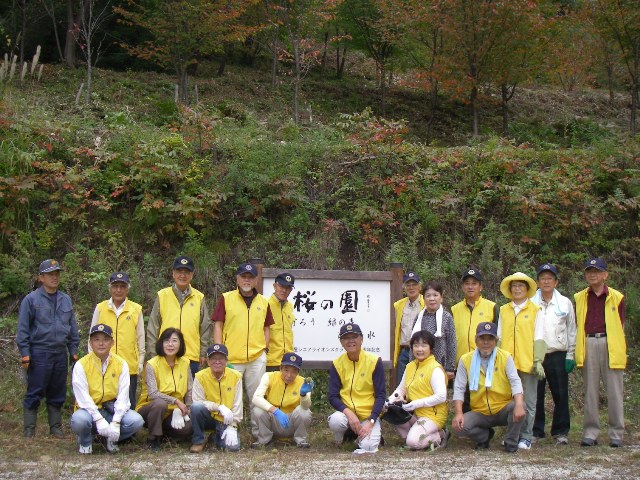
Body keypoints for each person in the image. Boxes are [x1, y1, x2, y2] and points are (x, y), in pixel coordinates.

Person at [16, 259, 80, 438]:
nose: (54, 277)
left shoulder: (65, 299)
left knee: (57, 391)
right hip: (39, 352)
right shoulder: (31, 300)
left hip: (60, 353)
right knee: (34, 391)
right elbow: (22, 330)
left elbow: (72, 328)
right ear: (40, 277)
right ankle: (29, 430)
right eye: (50, 274)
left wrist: (73, 350)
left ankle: (55, 428)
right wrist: (25, 354)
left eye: (57, 274)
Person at [212, 262, 274, 433]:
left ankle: (259, 433)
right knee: (231, 396)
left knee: (257, 397)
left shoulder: (263, 301)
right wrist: (219, 352)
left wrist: (264, 349)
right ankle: (230, 429)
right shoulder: (227, 298)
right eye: (243, 277)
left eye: (250, 277)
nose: (246, 280)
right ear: (237, 279)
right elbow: (218, 325)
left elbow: (267, 327)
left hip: (256, 358)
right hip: (231, 358)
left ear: (256, 280)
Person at [575, 257, 626, 448]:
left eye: (596, 271)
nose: (592, 274)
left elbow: (621, 324)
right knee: (590, 391)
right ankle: (590, 432)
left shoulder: (617, 297)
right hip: (588, 342)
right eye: (589, 271)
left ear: (605, 275)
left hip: (610, 344)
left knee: (614, 391)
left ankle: (616, 433)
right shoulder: (579, 297)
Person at [452, 322, 525, 453]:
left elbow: (515, 382)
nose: (486, 342)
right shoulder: (465, 360)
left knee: (520, 405)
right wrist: (458, 413)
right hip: (480, 411)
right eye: (482, 338)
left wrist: (519, 404)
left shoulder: (505, 357)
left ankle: (511, 441)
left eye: (490, 338)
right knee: (460, 427)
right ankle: (484, 437)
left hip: (502, 407)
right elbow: (459, 388)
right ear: (476, 340)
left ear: (496, 340)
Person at [70, 324, 144, 454]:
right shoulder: (81, 365)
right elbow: (83, 398)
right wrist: (98, 419)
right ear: (91, 343)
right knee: (79, 420)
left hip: (111, 410)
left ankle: (111, 438)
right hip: (88, 412)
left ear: (112, 343)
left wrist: (116, 422)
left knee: (136, 421)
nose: (101, 343)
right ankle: (86, 440)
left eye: (105, 339)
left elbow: (123, 396)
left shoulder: (121, 364)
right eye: (96, 339)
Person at [497, 272, 546, 450]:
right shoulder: (503, 310)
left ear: (527, 289)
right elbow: (500, 337)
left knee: (529, 401)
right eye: (514, 286)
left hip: (528, 363)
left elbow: (539, 337)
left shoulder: (536, 310)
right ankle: (512, 435)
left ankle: (526, 436)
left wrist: (538, 360)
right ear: (510, 290)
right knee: (510, 402)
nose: (517, 289)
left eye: (521, 286)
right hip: (508, 364)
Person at [531, 263, 576, 445]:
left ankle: (561, 431)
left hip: (558, 353)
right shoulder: (531, 302)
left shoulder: (564, 302)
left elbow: (571, 329)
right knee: (536, 394)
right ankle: (536, 430)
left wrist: (570, 355)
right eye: (543, 278)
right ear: (538, 282)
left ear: (556, 282)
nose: (546, 281)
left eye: (550, 278)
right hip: (537, 355)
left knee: (561, 394)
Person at [147, 255, 211, 378]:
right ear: (173, 273)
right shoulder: (162, 295)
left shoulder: (199, 298)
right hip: (165, 355)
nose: (183, 275)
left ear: (192, 275)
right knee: (166, 394)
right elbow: (153, 326)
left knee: (190, 395)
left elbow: (205, 328)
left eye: (186, 272)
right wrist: (153, 353)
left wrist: (203, 353)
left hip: (191, 356)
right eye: (179, 271)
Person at [328, 323, 386, 454]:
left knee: (369, 448)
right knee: (335, 421)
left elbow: (381, 395)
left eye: (354, 337)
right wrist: (349, 413)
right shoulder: (337, 363)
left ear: (361, 339)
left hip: (368, 415)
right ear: (341, 342)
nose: (351, 341)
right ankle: (345, 435)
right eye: (346, 338)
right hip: (347, 414)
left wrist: (372, 420)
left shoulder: (374, 361)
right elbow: (333, 396)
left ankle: (362, 436)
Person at [90, 272, 145, 408]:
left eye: (122, 286)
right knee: (104, 401)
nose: (118, 290)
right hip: (104, 364)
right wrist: (92, 358)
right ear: (110, 288)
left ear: (127, 289)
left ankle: (129, 428)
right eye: (115, 286)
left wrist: (140, 361)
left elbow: (140, 337)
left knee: (128, 403)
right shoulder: (101, 308)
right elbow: (91, 336)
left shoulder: (136, 309)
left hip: (129, 364)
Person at [388, 330, 448, 450]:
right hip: (414, 413)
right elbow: (401, 389)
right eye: (416, 345)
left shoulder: (435, 369)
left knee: (413, 443)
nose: (419, 349)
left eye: (424, 345)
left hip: (432, 415)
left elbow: (441, 396)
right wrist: (390, 401)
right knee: (394, 413)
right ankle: (415, 435)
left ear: (430, 348)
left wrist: (416, 403)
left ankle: (440, 435)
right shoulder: (410, 366)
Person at [136, 328, 193, 451]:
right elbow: (153, 393)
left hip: (174, 411)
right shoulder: (152, 364)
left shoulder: (185, 363)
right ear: (161, 343)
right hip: (151, 408)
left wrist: (187, 409)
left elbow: (189, 390)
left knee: (188, 428)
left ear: (181, 344)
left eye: (174, 341)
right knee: (159, 404)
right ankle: (154, 437)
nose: (170, 344)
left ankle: (165, 433)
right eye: (166, 341)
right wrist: (176, 401)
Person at [252, 352, 314, 448]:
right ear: (280, 368)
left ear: (298, 372)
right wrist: (275, 411)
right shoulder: (269, 376)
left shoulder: (303, 382)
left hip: (291, 421)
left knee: (304, 412)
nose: (289, 375)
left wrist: (303, 394)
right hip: (273, 420)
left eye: (294, 371)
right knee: (258, 410)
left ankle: (301, 441)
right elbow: (256, 397)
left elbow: (306, 407)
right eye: (286, 370)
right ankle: (264, 441)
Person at [189, 343, 243, 453]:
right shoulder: (200, 376)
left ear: (226, 361)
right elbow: (198, 401)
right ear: (208, 361)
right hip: (208, 416)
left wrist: (233, 424)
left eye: (221, 358)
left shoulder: (236, 376)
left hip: (226, 418)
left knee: (233, 448)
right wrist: (218, 407)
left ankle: (214, 437)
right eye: (213, 358)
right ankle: (198, 440)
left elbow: (238, 403)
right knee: (196, 407)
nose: (217, 362)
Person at [450, 267, 499, 364]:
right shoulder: (454, 309)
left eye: (474, 283)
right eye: (467, 283)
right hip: (460, 363)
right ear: (462, 287)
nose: (470, 287)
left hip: (485, 362)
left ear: (481, 286)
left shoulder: (492, 307)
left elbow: (499, 336)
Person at [411, 282, 457, 381]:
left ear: (441, 297)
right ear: (423, 298)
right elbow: (413, 342)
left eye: (435, 295)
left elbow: (451, 343)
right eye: (428, 296)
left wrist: (450, 367)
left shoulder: (446, 317)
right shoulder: (419, 318)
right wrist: (411, 364)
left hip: (440, 365)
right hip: (420, 365)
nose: (432, 299)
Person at [393, 271, 424, 384]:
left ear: (420, 286)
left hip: (421, 350)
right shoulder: (398, 305)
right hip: (404, 351)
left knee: (419, 384)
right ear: (404, 288)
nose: (411, 288)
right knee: (402, 385)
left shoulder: (426, 304)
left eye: (414, 284)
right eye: (408, 285)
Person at [266, 273, 296, 372]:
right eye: (281, 286)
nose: (284, 290)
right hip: (270, 361)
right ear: (275, 286)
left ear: (291, 290)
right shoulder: (265, 305)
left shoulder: (290, 306)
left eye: (288, 288)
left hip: (288, 361)